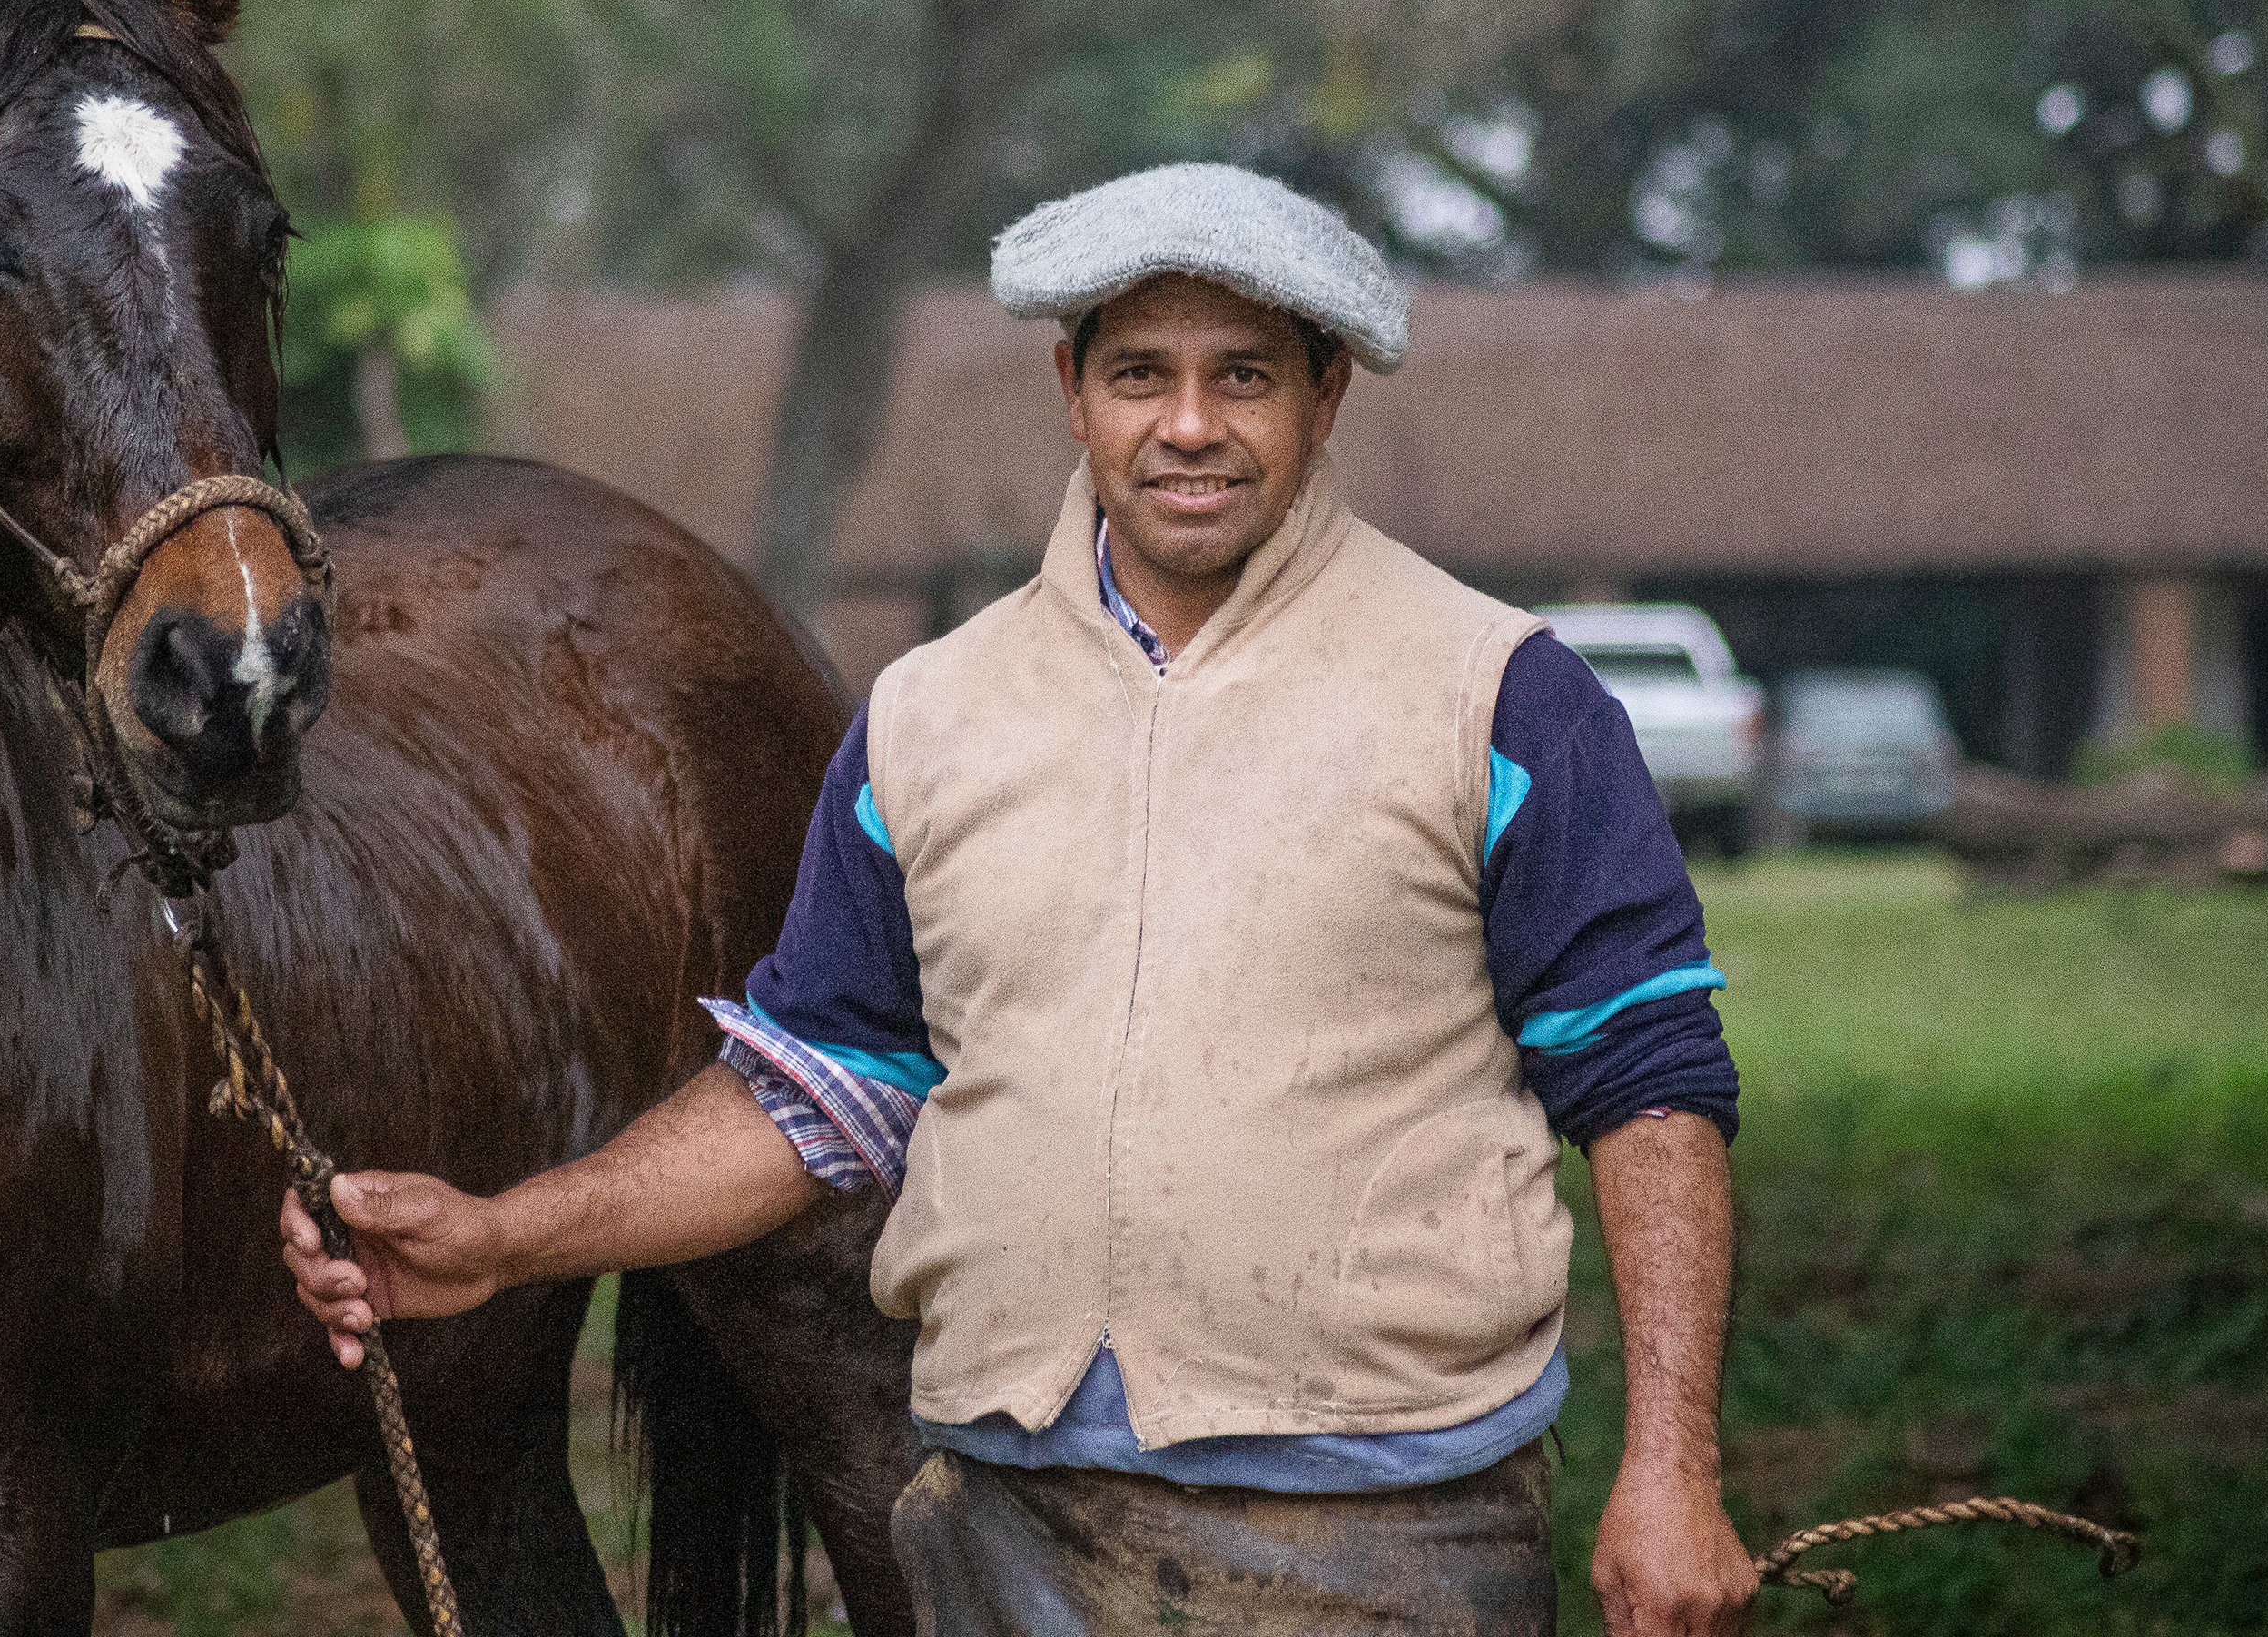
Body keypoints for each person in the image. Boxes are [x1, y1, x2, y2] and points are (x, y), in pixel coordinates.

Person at [283, 163, 1762, 1636]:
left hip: (1387, 1535)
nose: (1188, 424)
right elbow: (820, 1093)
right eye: (1140, 374)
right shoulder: (932, 715)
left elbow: (1651, 1084)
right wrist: (506, 1237)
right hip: (1001, 1530)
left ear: (1327, 396)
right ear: (1072, 391)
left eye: (1242, 375)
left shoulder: (1502, 700)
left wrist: (1672, 1471)